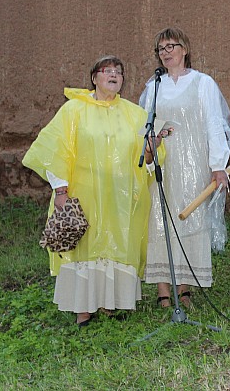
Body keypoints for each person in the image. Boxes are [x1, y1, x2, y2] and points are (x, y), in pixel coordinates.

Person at [22, 56, 160, 326]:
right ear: (94, 78)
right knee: (85, 247)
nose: (114, 75)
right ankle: (83, 308)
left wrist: (151, 150)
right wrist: (61, 190)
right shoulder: (74, 110)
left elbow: (146, 160)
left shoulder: (135, 114)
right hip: (84, 192)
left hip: (120, 196)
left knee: (118, 244)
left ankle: (111, 303)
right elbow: (56, 149)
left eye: (118, 71)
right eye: (107, 70)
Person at [140, 27, 230, 308]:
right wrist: (150, 149)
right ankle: (163, 290)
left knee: (190, 220)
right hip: (164, 164)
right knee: (159, 220)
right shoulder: (154, 87)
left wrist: (217, 165)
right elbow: (144, 126)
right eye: (161, 48)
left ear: (185, 49)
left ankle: (185, 288)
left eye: (171, 46)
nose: (166, 52)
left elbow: (214, 124)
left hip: (194, 163)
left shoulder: (203, 83)